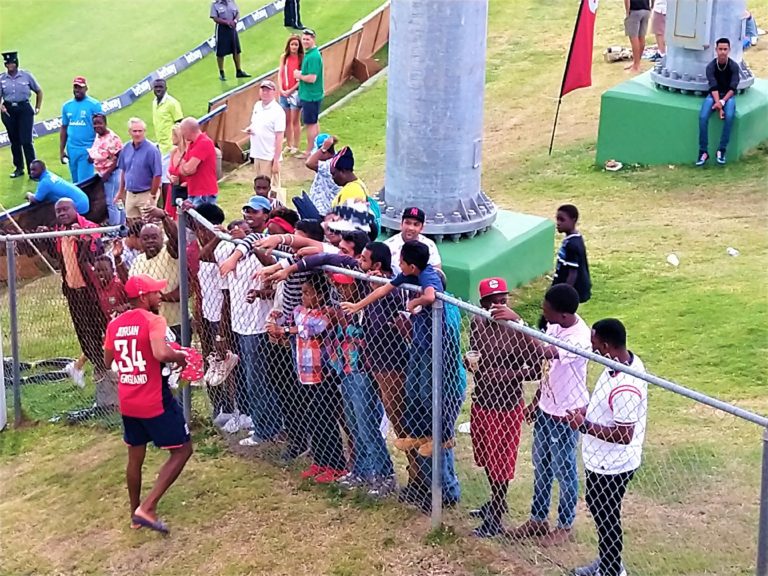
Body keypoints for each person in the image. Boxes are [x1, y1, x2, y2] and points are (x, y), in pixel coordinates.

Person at [492, 284, 591, 546]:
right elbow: (549, 368)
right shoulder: (556, 324)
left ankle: (565, 525)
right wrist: (537, 399)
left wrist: (519, 322)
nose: (544, 314)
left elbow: (546, 352)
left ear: (563, 315)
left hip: (566, 415)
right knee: (542, 467)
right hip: (548, 409)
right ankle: (537, 519)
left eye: (547, 311)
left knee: (564, 471)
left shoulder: (579, 338)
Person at [103, 274, 193, 534]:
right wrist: (181, 356)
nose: (159, 296)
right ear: (143, 297)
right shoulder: (154, 320)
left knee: (135, 456)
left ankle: (134, 514)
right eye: (155, 292)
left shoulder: (115, 324)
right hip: (153, 398)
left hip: (128, 400)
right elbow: (161, 354)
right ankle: (148, 507)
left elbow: (108, 361)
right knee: (182, 450)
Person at [565, 319, 647, 576]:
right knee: (599, 508)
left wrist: (583, 425)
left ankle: (612, 570)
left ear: (608, 345)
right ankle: (607, 563)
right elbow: (603, 405)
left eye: (596, 344)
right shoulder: (616, 364)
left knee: (607, 516)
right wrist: (586, 411)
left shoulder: (626, 387)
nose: (593, 348)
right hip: (600, 459)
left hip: (613, 464)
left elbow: (624, 434)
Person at [467, 277, 543, 537]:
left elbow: (537, 367)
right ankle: (495, 502)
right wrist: (470, 364)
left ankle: (496, 516)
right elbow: (473, 355)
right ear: (483, 303)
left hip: (507, 406)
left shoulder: (516, 329)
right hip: (481, 401)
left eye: (503, 299)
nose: (499, 305)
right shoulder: (478, 323)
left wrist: (507, 375)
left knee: (501, 462)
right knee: (487, 457)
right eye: (493, 301)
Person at [43, 199, 117, 412]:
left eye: (65, 209)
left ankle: (104, 370)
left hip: (93, 292)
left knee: (104, 330)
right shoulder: (58, 231)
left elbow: (96, 252)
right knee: (84, 334)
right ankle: (94, 369)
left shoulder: (89, 228)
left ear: (75, 209)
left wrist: (81, 238)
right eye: (58, 211)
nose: (62, 213)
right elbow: (58, 257)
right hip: (73, 292)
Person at [126, 211, 181, 339]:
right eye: (145, 238)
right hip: (147, 324)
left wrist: (164, 217)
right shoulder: (137, 260)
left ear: (162, 238)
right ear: (139, 240)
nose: (150, 241)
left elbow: (175, 239)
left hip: (174, 324)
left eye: (154, 237)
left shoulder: (169, 253)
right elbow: (131, 287)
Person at [695, 38, 740, 167]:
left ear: (729, 50)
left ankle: (722, 150)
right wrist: (719, 106)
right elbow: (713, 86)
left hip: (728, 96)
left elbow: (733, 88)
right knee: (703, 117)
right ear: (716, 50)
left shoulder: (733, 66)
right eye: (720, 49)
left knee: (730, 117)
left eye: (725, 49)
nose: (722, 52)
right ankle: (703, 151)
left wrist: (722, 102)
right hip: (714, 96)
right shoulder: (711, 67)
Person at [1, 51, 43, 178]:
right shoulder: (2, 79)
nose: (10, 66)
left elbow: (38, 91)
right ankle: (19, 168)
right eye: (8, 64)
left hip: (24, 109)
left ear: (16, 63)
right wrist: (1, 106)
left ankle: (33, 170)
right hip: (9, 110)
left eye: (12, 63)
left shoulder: (26, 76)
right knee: (14, 141)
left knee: (26, 141)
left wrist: (37, 107)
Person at [115, 118, 162, 219]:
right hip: (130, 195)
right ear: (129, 132)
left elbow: (157, 175)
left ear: (144, 132)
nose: (137, 134)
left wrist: (152, 195)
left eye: (140, 131)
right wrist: (120, 192)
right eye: (134, 131)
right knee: (132, 227)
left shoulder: (152, 150)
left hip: (146, 194)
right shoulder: (126, 148)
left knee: (150, 226)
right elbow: (124, 170)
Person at [60, 76, 102, 183]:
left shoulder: (94, 105)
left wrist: (94, 151)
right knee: (75, 183)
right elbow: (64, 128)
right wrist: (61, 150)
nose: (77, 90)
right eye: (75, 87)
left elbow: (101, 129)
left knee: (85, 183)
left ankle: (88, 200)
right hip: (72, 150)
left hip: (86, 149)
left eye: (80, 87)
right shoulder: (67, 106)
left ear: (86, 88)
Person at [245, 80, 285, 187]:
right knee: (259, 185)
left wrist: (276, 160)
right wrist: (251, 129)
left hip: (268, 156)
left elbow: (279, 137)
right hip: (257, 153)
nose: (265, 92)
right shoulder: (257, 106)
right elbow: (255, 123)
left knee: (271, 187)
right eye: (263, 90)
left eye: (268, 90)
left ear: (274, 92)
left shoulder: (278, 111)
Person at [88, 113, 124, 225]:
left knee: (111, 202)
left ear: (105, 123)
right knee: (117, 201)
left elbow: (120, 158)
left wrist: (108, 173)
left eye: (99, 123)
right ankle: (122, 228)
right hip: (103, 172)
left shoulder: (112, 138)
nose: (97, 126)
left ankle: (114, 230)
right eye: (94, 124)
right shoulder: (98, 136)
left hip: (112, 174)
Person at [551, 204, 591, 303]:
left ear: (573, 220)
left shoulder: (573, 244)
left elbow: (572, 273)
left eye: (562, 220)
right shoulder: (572, 240)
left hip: (570, 290)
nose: (558, 223)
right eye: (557, 219)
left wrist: (565, 295)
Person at [384, 207, 441, 274]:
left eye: (416, 224)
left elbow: (437, 273)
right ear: (401, 224)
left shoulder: (430, 246)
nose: (411, 228)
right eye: (407, 223)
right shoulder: (387, 246)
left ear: (422, 228)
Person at [296, 28, 324, 157]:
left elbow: (312, 78)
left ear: (313, 39)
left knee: (310, 124)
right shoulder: (311, 54)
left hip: (311, 96)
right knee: (314, 121)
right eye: (304, 39)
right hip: (312, 95)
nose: (305, 41)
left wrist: (299, 75)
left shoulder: (313, 56)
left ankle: (309, 151)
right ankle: (316, 148)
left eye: (308, 39)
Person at [178, 117, 219, 206]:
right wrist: (185, 168)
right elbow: (182, 170)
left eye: (182, 131)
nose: (181, 134)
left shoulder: (204, 143)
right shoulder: (192, 144)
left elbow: (188, 169)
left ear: (187, 130)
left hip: (204, 193)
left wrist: (185, 167)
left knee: (201, 219)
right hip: (193, 191)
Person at [210, 0, 250, 81]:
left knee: (236, 50)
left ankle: (239, 71)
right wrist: (227, 22)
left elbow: (237, 13)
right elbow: (215, 18)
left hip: (232, 29)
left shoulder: (231, 2)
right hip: (222, 29)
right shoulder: (215, 4)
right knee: (220, 52)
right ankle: (221, 73)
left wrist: (235, 21)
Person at [278, 35, 304, 155]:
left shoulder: (301, 59)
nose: (294, 47)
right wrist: (281, 88)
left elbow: (300, 79)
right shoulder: (284, 57)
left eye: (296, 45)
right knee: (286, 120)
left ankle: (296, 145)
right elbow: (280, 73)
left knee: (295, 120)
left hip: (295, 93)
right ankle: (288, 144)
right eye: (292, 44)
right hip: (284, 92)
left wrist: (290, 90)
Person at [304, 133, 340, 216]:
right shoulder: (334, 160)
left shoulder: (328, 166)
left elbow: (309, 163)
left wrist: (323, 149)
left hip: (325, 213)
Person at [151, 79, 183, 156]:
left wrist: (178, 144)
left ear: (166, 88)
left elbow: (180, 123)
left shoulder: (172, 103)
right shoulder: (154, 103)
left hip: (171, 147)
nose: (158, 89)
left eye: (161, 87)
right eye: (156, 87)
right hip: (161, 146)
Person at [624, 0, 651, 73]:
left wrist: (627, 12)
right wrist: (651, 7)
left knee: (634, 37)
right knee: (641, 36)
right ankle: (637, 62)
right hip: (646, 9)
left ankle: (636, 66)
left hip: (634, 10)